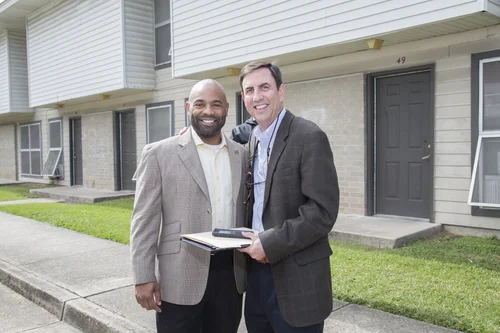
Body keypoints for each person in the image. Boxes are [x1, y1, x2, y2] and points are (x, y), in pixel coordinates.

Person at [130, 79, 249, 333]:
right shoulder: (159, 153)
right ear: (187, 107)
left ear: (227, 108)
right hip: (179, 276)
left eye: (216, 104)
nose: (208, 111)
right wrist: (143, 277)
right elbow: (144, 220)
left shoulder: (242, 155)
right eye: (200, 104)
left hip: (231, 275)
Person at [237, 61, 340, 333]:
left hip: (297, 279)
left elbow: (322, 212)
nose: (257, 96)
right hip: (256, 276)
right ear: (243, 98)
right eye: (249, 90)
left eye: (264, 87)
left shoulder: (309, 136)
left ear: (281, 92)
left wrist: (269, 243)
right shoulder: (252, 141)